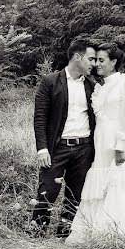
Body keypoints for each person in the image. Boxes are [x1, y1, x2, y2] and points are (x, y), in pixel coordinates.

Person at [65, 42, 125, 244]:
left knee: (119, 182)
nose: (96, 64)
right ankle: (97, 230)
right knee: (100, 183)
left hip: (117, 142)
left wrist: (121, 145)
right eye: (95, 59)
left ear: (114, 62)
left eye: (101, 60)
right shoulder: (100, 88)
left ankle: (122, 233)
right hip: (100, 143)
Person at [30, 38, 97, 238]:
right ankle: (37, 233)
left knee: (76, 195)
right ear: (77, 57)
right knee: (48, 191)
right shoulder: (50, 82)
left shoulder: (92, 86)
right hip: (56, 148)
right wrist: (42, 148)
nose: (93, 64)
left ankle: (64, 235)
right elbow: (40, 116)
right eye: (90, 59)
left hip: (83, 149)